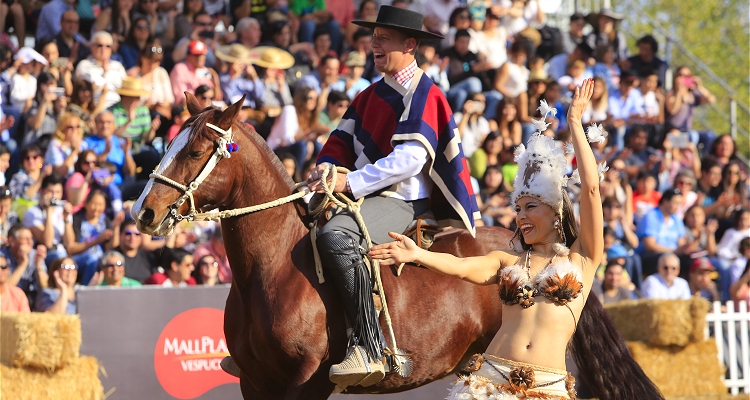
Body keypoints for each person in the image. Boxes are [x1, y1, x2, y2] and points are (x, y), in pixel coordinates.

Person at [370, 78, 603, 398]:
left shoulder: (583, 259)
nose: (520, 216)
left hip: (548, 390)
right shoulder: (506, 260)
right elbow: (461, 267)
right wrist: (418, 255)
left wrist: (574, 122)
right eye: (517, 208)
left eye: (530, 206)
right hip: (489, 384)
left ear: (556, 210)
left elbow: (591, 190)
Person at [307, 6, 477, 387]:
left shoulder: (426, 92)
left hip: (406, 202)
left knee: (335, 237)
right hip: (366, 195)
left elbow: (411, 159)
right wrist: (327, 170)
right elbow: (340, 143)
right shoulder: (369, 94)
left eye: (383, 37)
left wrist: (349, 184)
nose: (374, 43)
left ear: (410, 44)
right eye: (374, 36)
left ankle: (369, 345)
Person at [64, 190, 124, 284]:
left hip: (100, 258)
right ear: (86, 203)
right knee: (93, 258)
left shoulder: (105, 220)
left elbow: (111, 246)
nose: (97, 208)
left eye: (100, 204)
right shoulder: (77, 219)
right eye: (94, 204)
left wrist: (116, 227)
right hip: (80, 258)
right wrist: (96, 240)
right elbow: (72, 249)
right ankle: (86, 289)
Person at [636, 188, 689, 276]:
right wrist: (674, 251)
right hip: (651, 256)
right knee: (668, 262)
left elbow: (681, 242)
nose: (678, 206)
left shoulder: (676, 219)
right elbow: (650, 246)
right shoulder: (651, 217)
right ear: (665, 201)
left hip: (673, 255)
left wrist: (688, 247)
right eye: (675, 203)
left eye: (679, 204)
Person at [74, 32, 128, 110]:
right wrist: (105, 73)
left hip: (118, 107)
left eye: (108, 46)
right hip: (95, 107)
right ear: (92, 47)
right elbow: (88, 89)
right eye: (100, 45)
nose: (103, 49)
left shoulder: (118, 66)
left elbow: (125, 89)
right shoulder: (84, 65)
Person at [23, 174, 70, 264]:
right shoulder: (32, 213)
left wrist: (66, 219)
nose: (54, 196)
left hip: (63, 252)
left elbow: (69, 244)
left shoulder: (62, 210)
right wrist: (48, 210)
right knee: (62, 260)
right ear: (41, 191)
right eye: (50, 191)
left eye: (58, 192)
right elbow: (47, 242)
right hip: (43, 255)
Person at [1, 224, 47, 309]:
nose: (31, 242)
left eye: (31, 238)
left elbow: (45, 287)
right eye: (26, 239)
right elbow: (5, 287)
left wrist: (38, 264)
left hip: (29, 296)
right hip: (8, 299)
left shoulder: (35, 255)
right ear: (12, 241)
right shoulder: (2, 257)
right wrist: (23, 264)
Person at [84, 111, 136, 186]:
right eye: (101, 122)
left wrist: (126, 152)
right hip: (99, 185)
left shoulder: (120, 142)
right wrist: (105, 153)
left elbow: (130, 172)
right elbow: (90, 167)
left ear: (114, 125)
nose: (105, 125)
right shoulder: (88, 143)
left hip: (121, 185)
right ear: (96, 124)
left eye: (108, 122)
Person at [170, 39, 219, 105]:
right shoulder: (180, 69)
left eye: (202, 54)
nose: (200, 58)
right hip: (188, 110)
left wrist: (216, 83)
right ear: (187, 55)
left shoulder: (206, 71)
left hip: (206, 109)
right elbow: (183, 100)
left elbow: (216, 98)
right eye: (196, 55)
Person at [217, 43, 264, 108]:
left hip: (248, 111)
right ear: (231, 62)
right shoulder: (223, 77)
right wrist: (233, 76)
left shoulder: (249, 77)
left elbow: (260, 97)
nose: (242, 65)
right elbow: (227, 96)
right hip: (231, 110)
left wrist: (254, 77)